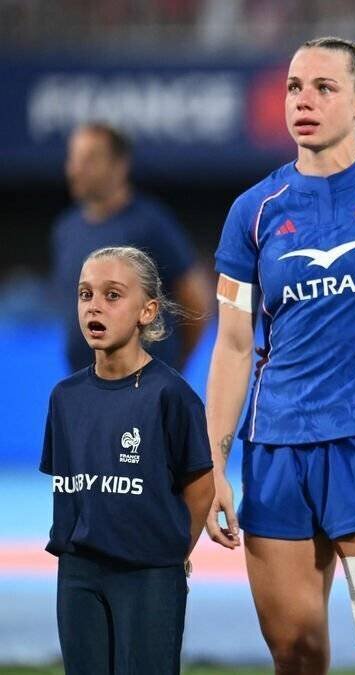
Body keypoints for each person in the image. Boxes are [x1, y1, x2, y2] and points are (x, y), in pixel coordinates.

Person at [204, 37, 355, 674]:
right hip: (277, 449)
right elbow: (232, 343)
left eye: (323, 88)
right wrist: (215, 464)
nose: (303, 100)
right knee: (295, 652)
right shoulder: (253, 211)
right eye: (293, 87)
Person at [42, 246, 214, 674]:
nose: (94, 306)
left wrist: (170, 556)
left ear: (148, 311)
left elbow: (200, 488)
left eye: (112, 295)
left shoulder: (170, 395)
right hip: (78, 575)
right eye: (85, 294)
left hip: (149, 574)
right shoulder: (65, 398)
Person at [51, 122, 211, 372]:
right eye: (73, 158)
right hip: (86, 389)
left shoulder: (151, 224)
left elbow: (195, 301)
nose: (75, 169)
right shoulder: (66, 229)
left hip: (143, 389)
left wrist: (172, 369)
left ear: (119, 165)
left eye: (90, 159)